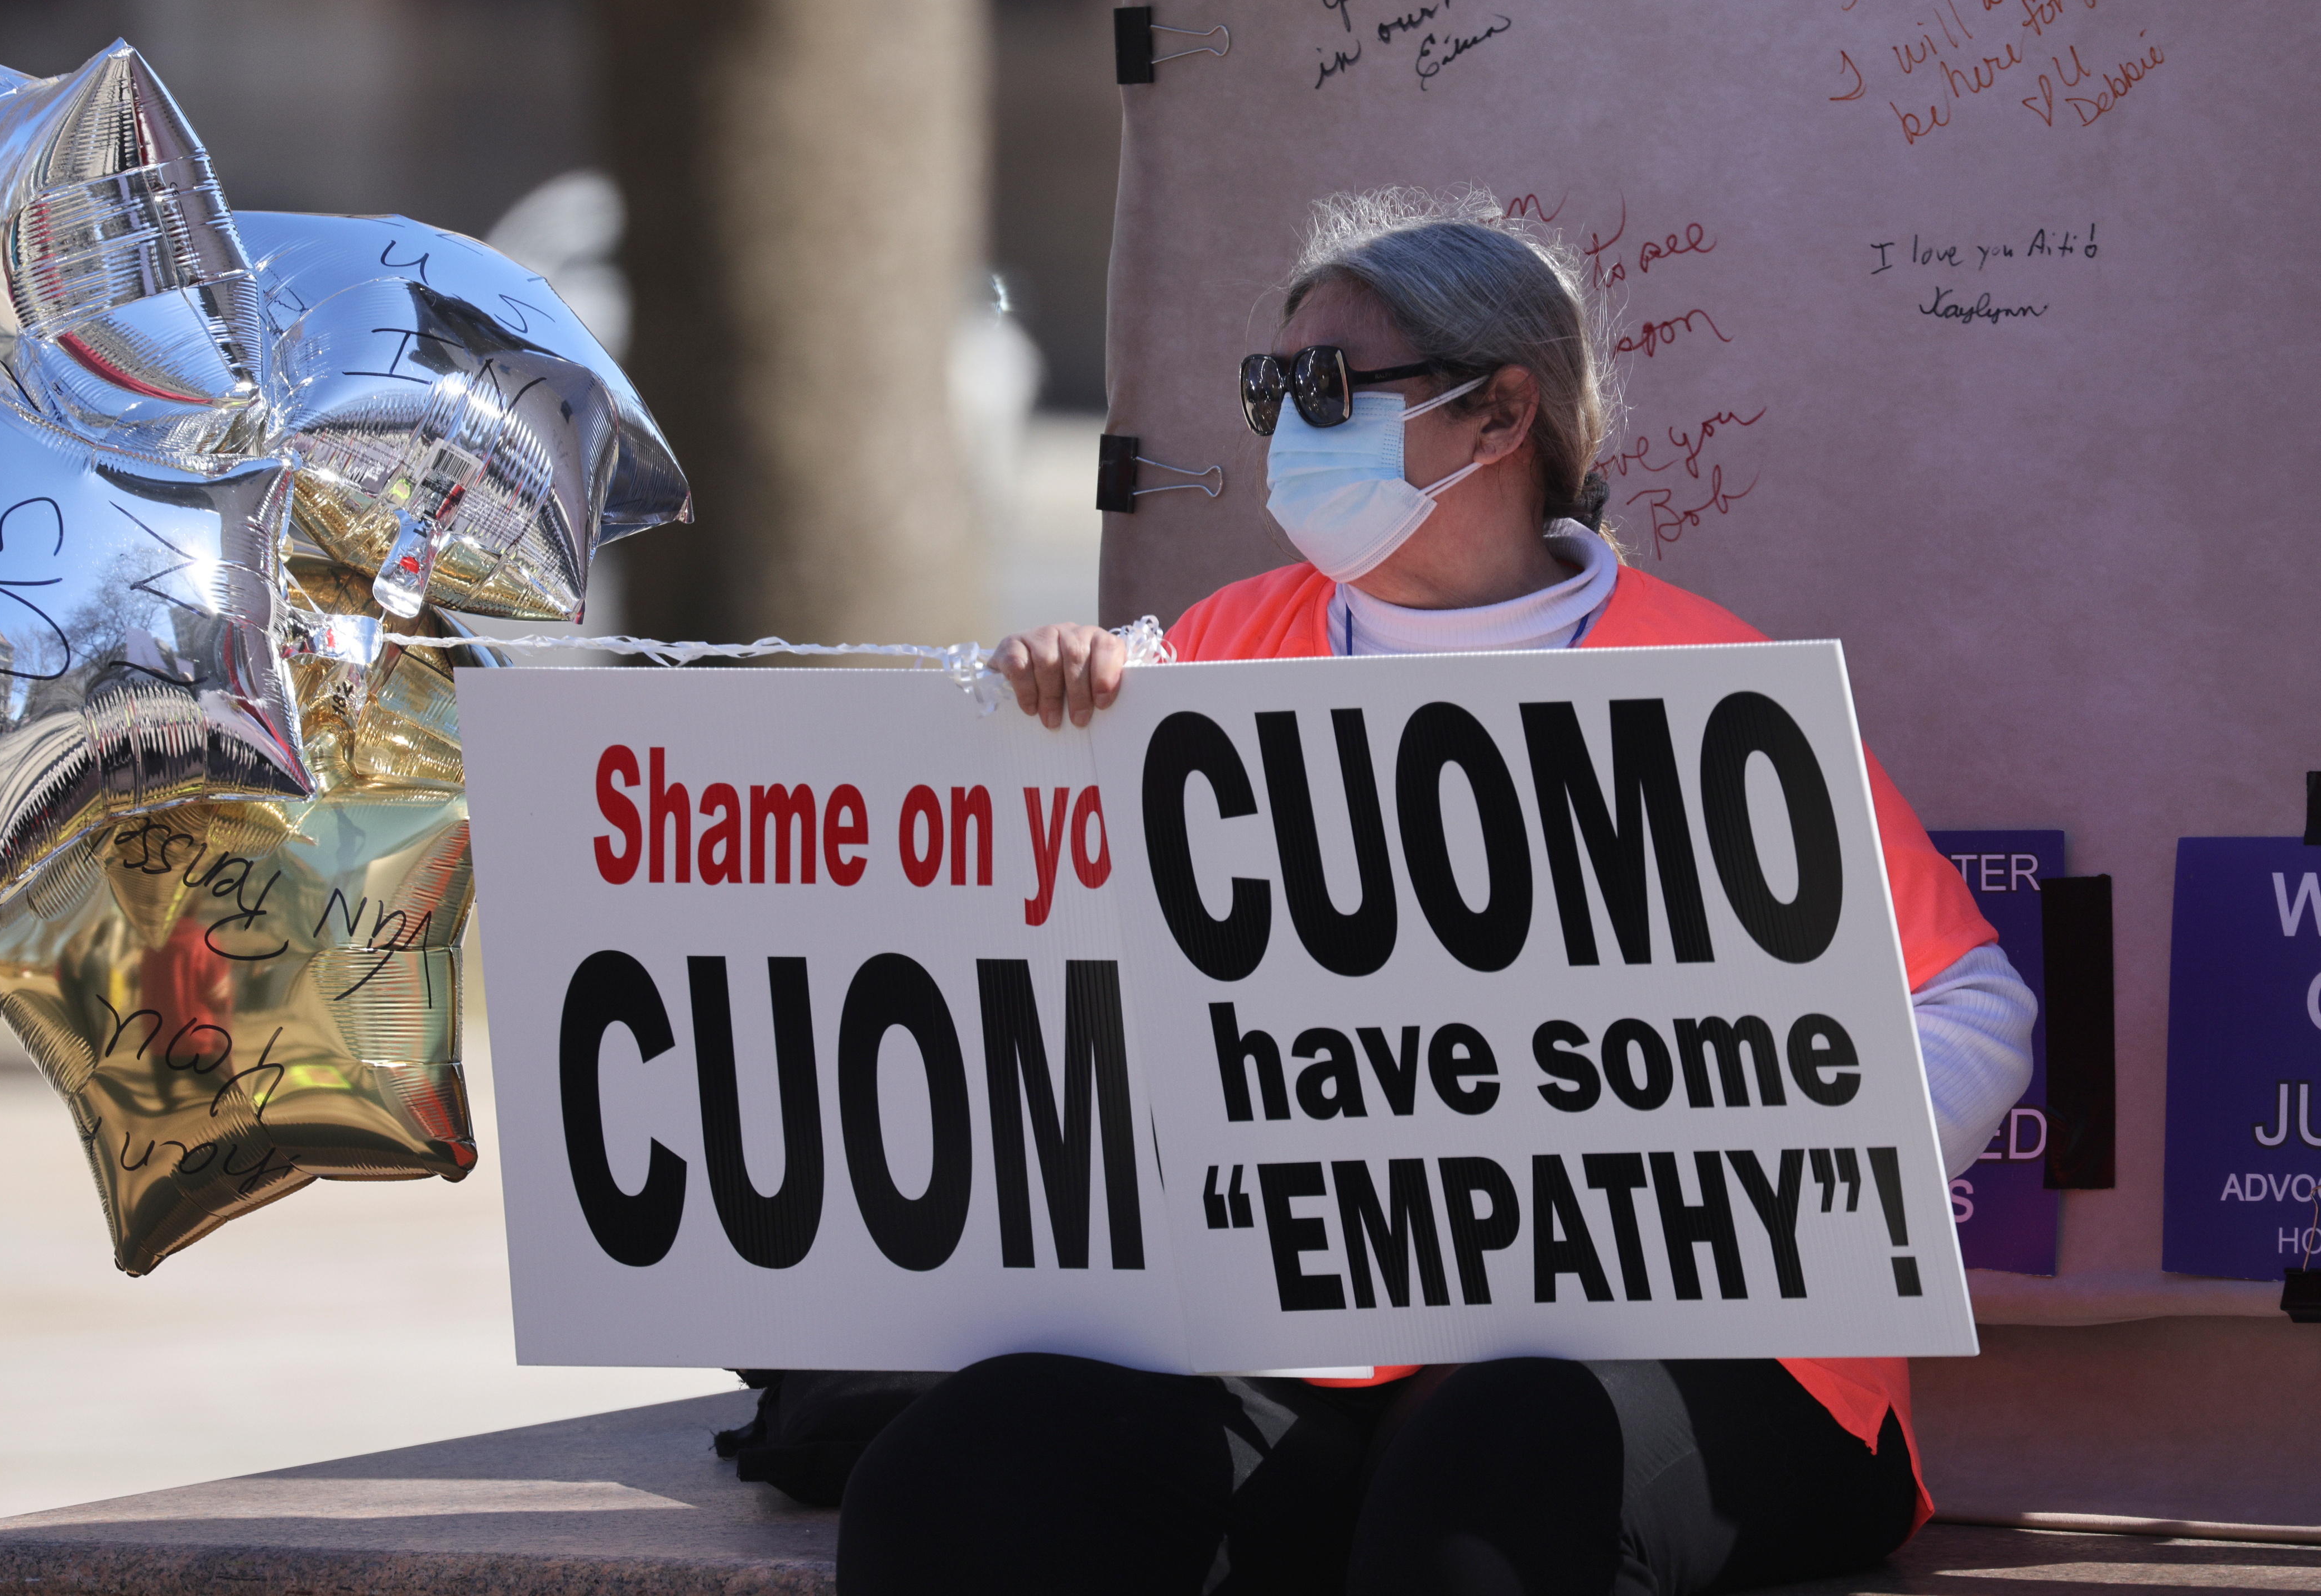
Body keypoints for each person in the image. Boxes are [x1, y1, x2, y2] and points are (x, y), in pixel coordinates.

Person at [833, 191, 2036, 1596]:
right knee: (967, 1465)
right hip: (1318, 1342)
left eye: (1331, 386)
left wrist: (1713, 1178)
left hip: (1688, 1356)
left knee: (1495, 1468)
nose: (1288, 425)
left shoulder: (1695, 681)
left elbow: (1971, 1006)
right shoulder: (1218, 650)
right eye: (1270, 388)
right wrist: (1039, 749)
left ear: (1499, 414)